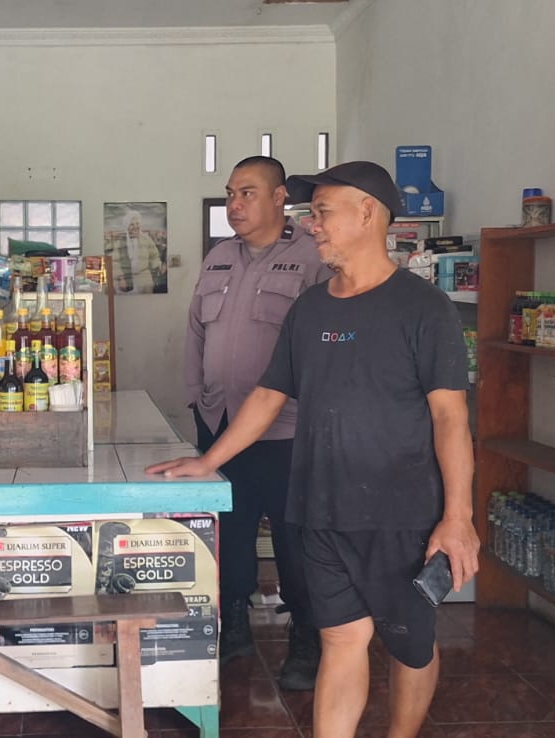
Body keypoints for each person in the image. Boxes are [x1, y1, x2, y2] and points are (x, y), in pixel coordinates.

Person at [149, 161, 479, 738]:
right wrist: (208, 461)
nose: (312, 224)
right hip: (320, 508)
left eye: (322, 212)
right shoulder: (311, 308)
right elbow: (269, 394)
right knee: (341, 639)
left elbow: (451, 418)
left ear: (367, 213)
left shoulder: (424, 308)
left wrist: (458, 517)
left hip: (400, 515)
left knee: (409, 647)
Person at [187, 155, 330, 690]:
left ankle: (306, 639)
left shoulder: (312, 255)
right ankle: (234, 629)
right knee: (228, 533)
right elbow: (196, 334)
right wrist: (195, 398)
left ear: (279, 197)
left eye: (247, 192)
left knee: (294, 540)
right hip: (219, 421)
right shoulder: (219, 257)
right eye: (230, 193)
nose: (234, 204)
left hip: (288, 430)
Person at [109, 208, 167, 294]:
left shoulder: (146, 239)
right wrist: (120, 278)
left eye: (137, 223)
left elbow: (154, 256)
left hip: (144, 279)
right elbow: (114, 262)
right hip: (126, 280)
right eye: (132, 224)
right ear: (127, 227)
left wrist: (159, 266)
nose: (135, 226)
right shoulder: (120, 242)